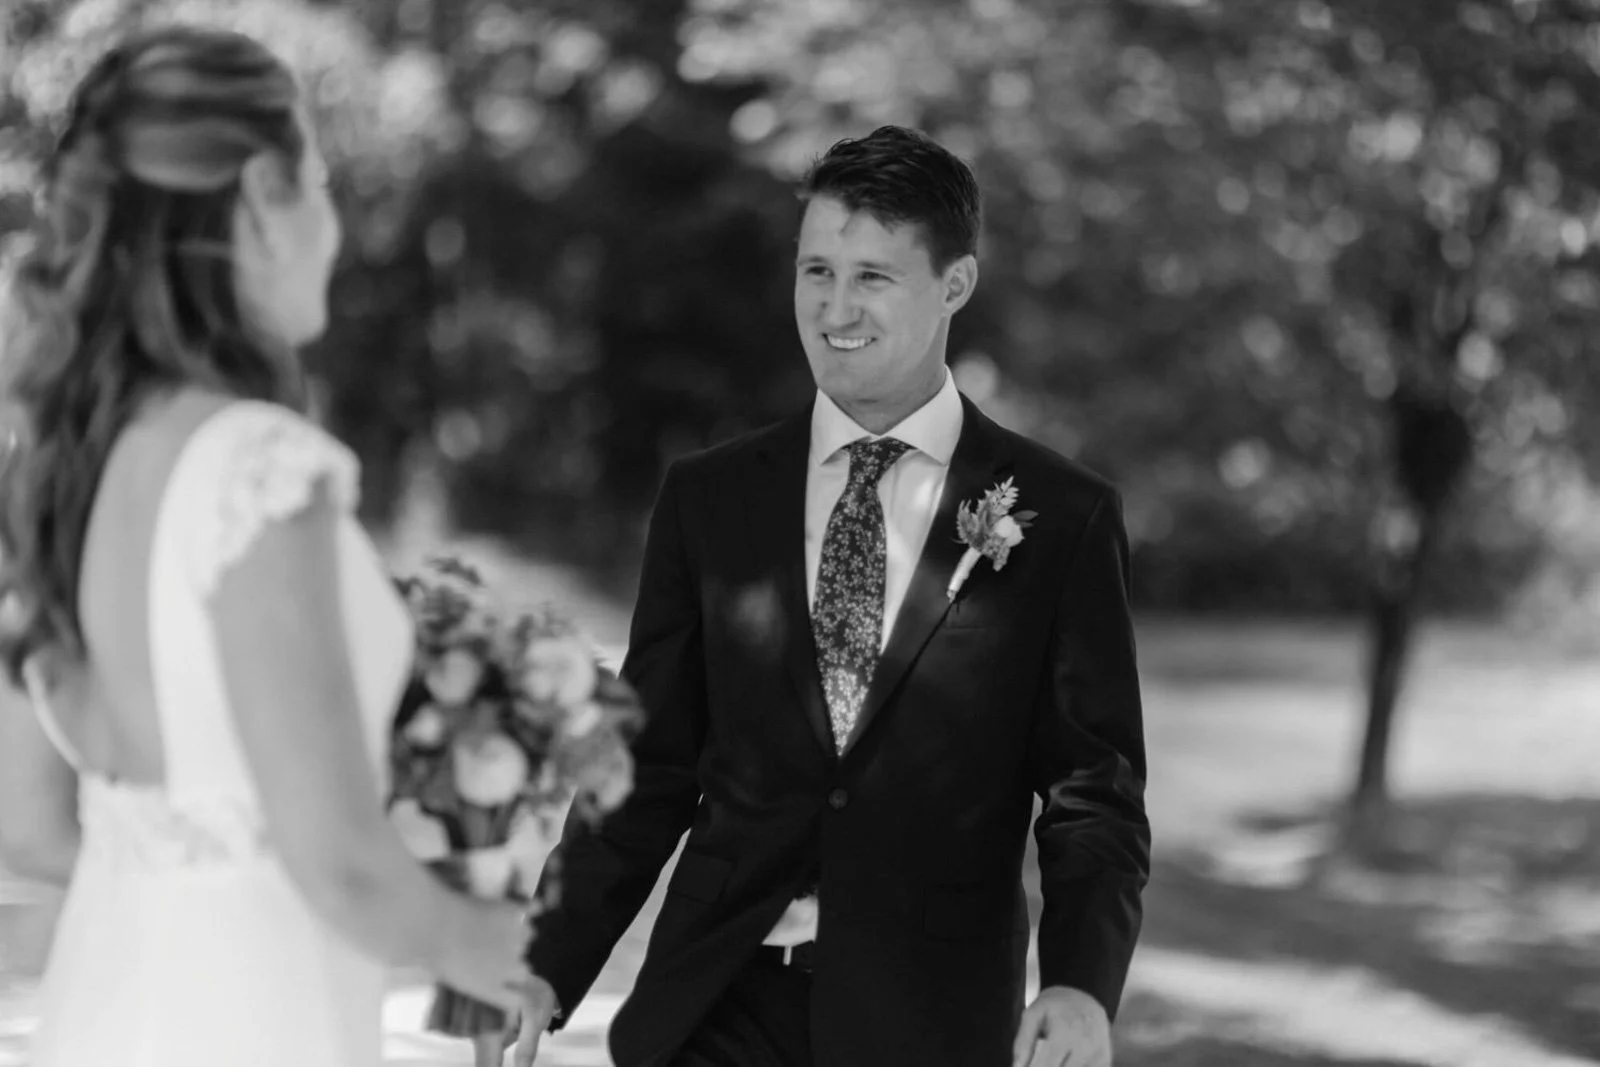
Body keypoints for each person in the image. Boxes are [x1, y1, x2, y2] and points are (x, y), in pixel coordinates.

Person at [513, 125, 1151, 1067]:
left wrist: (1079, 982)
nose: (834, 307)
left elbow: (1092, 794)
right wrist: (546, 963)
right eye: (817, 271)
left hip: (928, 1021)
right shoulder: (709, 498)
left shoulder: (1062, 517)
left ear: (955, 286)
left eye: (873, 278)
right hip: (713, 1005)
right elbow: (647, 763)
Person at [0, 26, 541, 1067]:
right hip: (253, 1025)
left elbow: (27, 826)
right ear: (260, 191)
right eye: (324, 186)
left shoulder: (61, 465)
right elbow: (345, 869)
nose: (335, 230)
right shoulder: (257, 465)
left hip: (103, 1013)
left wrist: (186, 889)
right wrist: (544, 947)